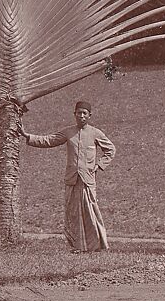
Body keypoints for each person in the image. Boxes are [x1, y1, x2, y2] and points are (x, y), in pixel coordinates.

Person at [18, 101, 115, 252]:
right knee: (73, 213)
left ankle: (98, 245)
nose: (81, 116)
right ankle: (77, 246)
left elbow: (110, 149)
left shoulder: (96, 133)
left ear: (90, 116)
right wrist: (27, 135)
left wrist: (99, 165)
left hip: (88, 180)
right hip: (72, 179)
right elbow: (49, 140)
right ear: (74, 114)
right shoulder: (68, 132)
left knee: (91, 211)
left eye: (84, 113)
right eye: (78, 113)